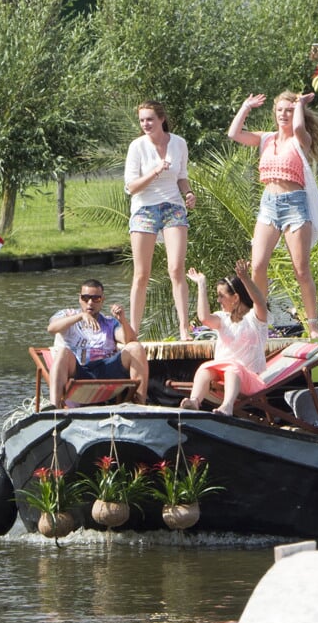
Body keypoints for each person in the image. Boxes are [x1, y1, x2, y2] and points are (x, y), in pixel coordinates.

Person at [230, 89, 318, 335]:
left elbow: (296, 129)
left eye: (289, 110)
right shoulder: (266, 139)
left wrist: (300, 105)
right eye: (280, 110)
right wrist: (246, 107)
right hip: (269, 204)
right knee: (258, 265)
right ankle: (261, 319)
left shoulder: (300, 139)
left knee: (301, 270)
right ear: (274, 113)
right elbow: (234, 134)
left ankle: (313, 325)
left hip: (295, 205)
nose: (283, 114)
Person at [124, 101, 194, 338]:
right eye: (142, 120)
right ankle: (133, 330)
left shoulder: (179, 143)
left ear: (161, 119)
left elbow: (181, 177)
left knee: (176, 268)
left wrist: (189, 193)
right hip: (145, 208)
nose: (145, 124)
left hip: (173, 206)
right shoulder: (137, 147)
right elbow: (131, 187)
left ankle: (184, 327)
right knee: (142, 273)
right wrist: (154, 171)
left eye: (150, 119)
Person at [181, 262, 269, 416]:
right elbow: (204, 318)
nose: (218, 300)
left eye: (221, 296)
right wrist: (201, 284)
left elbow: (260, 302)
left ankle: (227, 407)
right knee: (205, 368)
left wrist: (245, 279)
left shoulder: (255, 319)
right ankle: (194, 401)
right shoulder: (223, 318)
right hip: (223, 377)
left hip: (250, 380)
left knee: (231, 368)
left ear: (235, 297)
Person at [45, 279, 148, 408]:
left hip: (105, 370)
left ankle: (141, 405)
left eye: (96, 299)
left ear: (102, 300)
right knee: (63, 352)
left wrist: (123, 320)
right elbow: (52, 328)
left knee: (136, 348)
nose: (90, 303)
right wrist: (80, 316)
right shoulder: (68, 314)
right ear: (79, 298)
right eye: (85, 298)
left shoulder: (109, 322)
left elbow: (130, 340)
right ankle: (54, 407)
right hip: (79, 370)